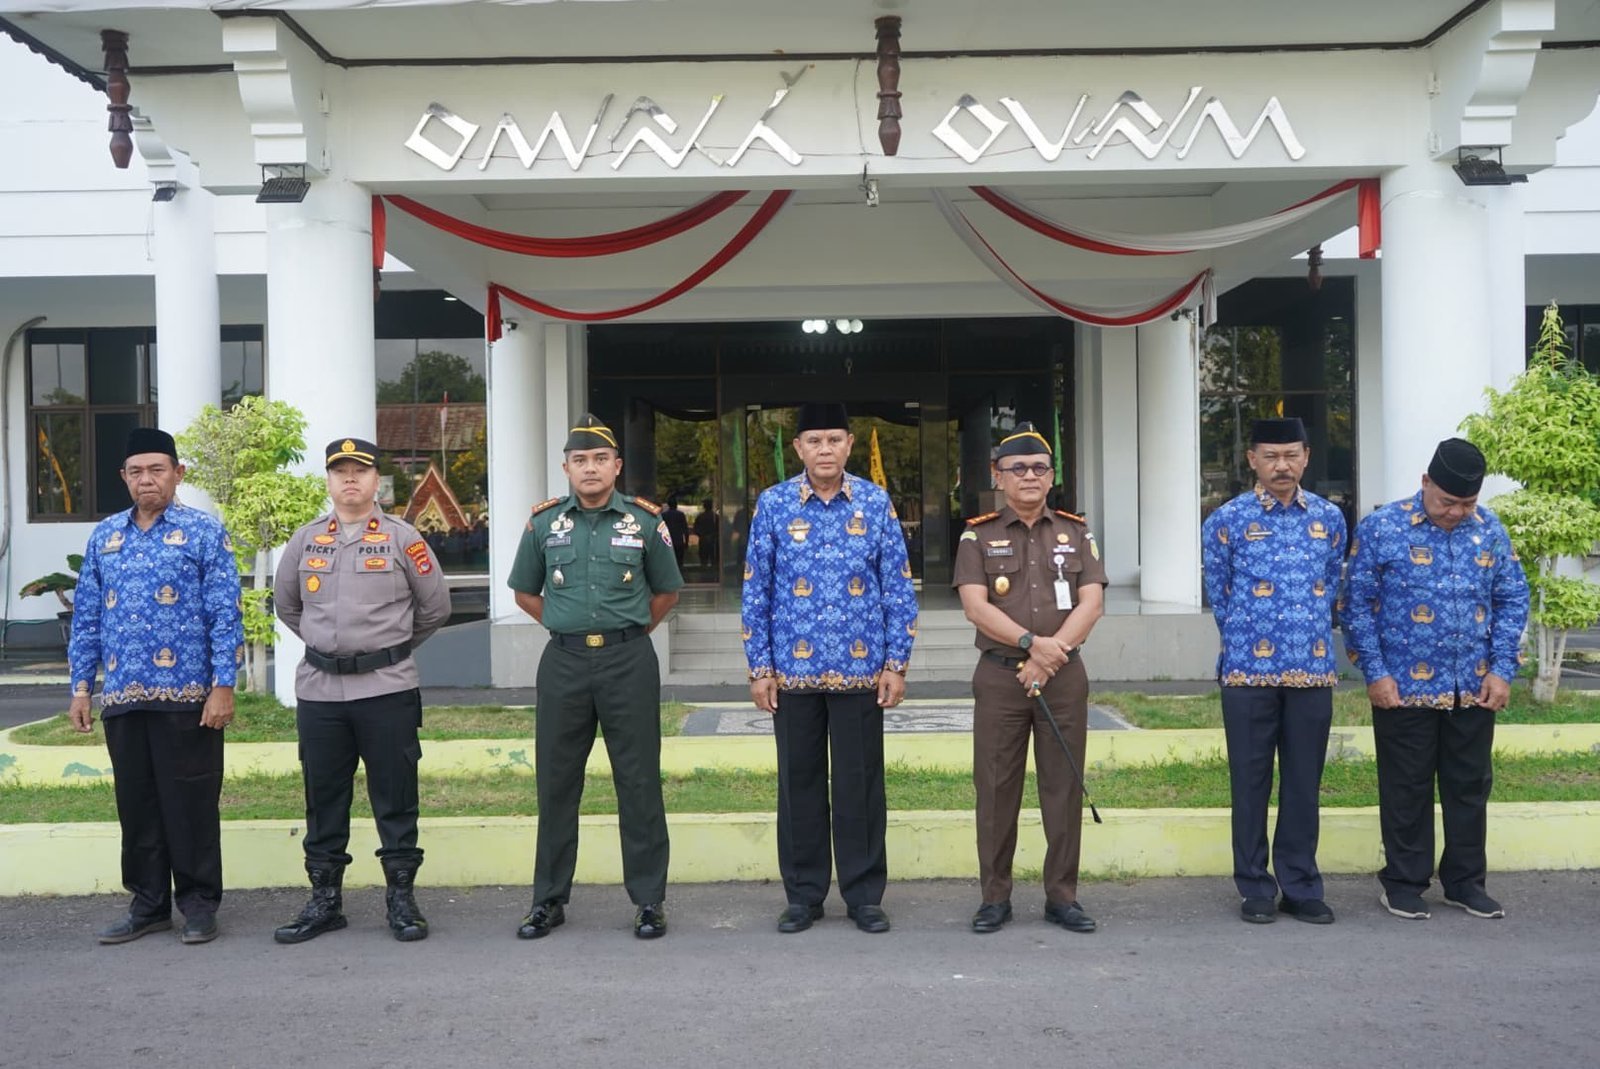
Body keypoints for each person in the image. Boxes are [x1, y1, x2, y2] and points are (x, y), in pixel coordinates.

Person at [741, 402, 918, 934]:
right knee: (798, 786)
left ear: (849, 445)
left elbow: (897, 587)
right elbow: (756, 589)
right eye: (814, 440)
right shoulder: (774, 505)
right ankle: (803, 896)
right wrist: (760, 668)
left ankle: (864, 896)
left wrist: (896, 663)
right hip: (791, 676)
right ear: (799, 448)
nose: (825, 449)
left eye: (834, 440)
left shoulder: (875, 502)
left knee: (859, 786)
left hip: (861, 672)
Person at [271, 438, 453, 944]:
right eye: (340, 471)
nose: (350, 479)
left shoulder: (403, 539)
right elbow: (287, 606)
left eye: (360, 471)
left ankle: (402, 900)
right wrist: (330, 648)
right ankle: (324, 902)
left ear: (377, 481)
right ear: (329, 481)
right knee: (323, 797)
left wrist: (387, 649)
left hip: (386, 689)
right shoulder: (306, 540)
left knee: (395, 796)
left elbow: (435, 607)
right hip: (321, 692)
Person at [507, 414, 683, 940]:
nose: (590, 468)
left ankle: (648, 901)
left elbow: (667, 592)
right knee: (556, 784)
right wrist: (566, 625)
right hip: (563, 664)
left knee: (639, 782)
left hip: (628, 662)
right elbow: (524, 592)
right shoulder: (543, 524)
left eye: (600, 459)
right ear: (566, 468)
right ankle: (548, 900)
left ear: (617, 466)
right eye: (580, 460)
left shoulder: (645, 522)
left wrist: (627, 631)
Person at [67, 427, 243, 945]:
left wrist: (223, 685)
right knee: (137, 806)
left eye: (157, 470)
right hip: (124, 696)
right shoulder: (106, 536)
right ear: (124, 477)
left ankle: (199, 905)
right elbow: (87, 617)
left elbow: (224, 613)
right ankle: (147, 906)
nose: (147, 480)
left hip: (189, 698)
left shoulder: (203, 532)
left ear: (177, 473)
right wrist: (82, 687)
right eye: (137, 471)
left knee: (190, 805)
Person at [1341, 438, 1529, 922]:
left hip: (1474, 686)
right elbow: (1355, 605)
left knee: (1469, 787)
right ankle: (1404, 883)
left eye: (1467, 503)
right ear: (1425, 482)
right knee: (1406, 788)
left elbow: (1512, 599)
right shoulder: (1382, 528)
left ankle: (1466, 883)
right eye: (1447, 501)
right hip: (1402, 688)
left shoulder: (1489, 530)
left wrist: (1502, 669)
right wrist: (1375, 672)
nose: (1456, 512)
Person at [954, 422, 1107, 935]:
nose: (1029, 476)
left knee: (1062, 788)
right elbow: (976, 606)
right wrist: (1030, 645)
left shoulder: (1076, 532)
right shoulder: (977, 535)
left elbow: (1092, 602)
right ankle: (994, 898)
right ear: (998, 476)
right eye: (1017, 468)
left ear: (1052, 476)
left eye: (1039, 468)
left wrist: (1050, 655)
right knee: (996, 790)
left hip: (1062, 676)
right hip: (1001, 678)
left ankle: (1063, 897)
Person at [1201, 417, 1347, 925]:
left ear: (1306, 456)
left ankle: (1301, 886)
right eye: (1270, 456)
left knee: (1304, 784)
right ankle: (1255, 887)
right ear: (1252, 460)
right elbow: (1220, 594)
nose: (1281, 466)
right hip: (1247, 673)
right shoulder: (1227, 520)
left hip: (1312, 671)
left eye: (1290, 455)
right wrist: (1251, 638)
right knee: (1250, 783)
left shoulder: (1329, 518)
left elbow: (1329, 586)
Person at [661, 496, 690, 571]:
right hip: (678, 541)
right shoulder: (680, 515)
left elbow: (660, 530)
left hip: (667, 542)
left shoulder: (664, 515)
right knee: (679, 562)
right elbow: (685, 529)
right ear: (676, 505)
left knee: (669, 563)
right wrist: (686, 542)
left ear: (668, 505)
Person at [692, 498, 718, 568]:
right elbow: (719, 529)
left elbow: (695, 529)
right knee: (713, 560)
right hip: (713, 540)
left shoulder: (700, 517)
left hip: (703, 540)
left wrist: (701, 535)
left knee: (703, 560)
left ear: (704, 506)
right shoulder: (716, 517)